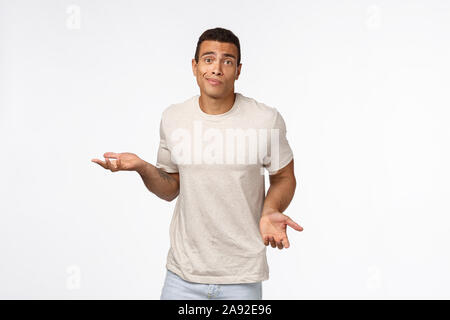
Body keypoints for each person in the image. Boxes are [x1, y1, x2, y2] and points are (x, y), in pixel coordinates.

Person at [91, 27, 304, 300]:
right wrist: (142, 167)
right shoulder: (174, 117)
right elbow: (170, 189)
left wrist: (270, 209)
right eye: (208, 59)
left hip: (241, 276)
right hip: (183, 276)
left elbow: (284, 176)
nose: (216, 68)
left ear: (238, 70)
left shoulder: (265, 120)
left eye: (227, 61)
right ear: (194, 66)